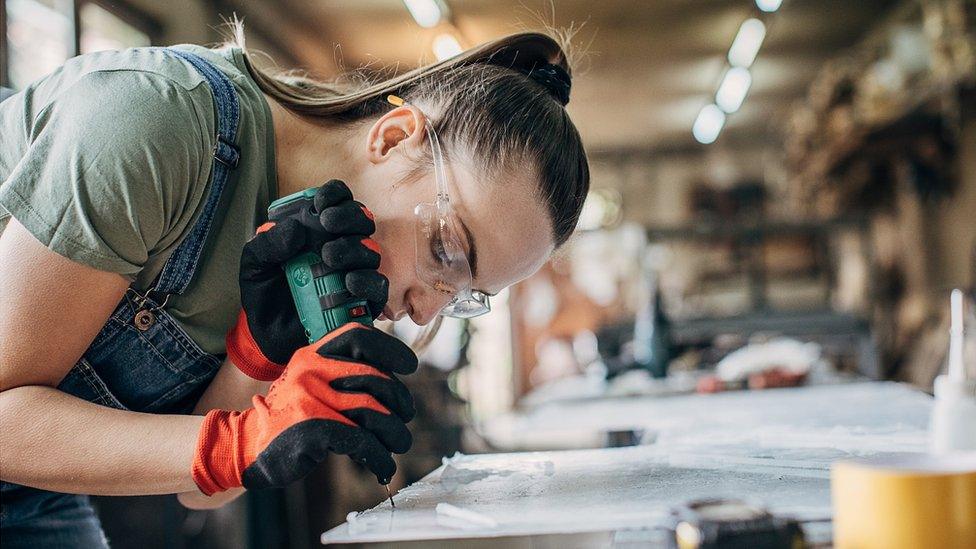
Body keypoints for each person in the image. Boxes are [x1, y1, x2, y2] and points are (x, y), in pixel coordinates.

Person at [0, 23, 589, 547]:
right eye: (446, 250)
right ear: (393, 137)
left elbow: (202, 493)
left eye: (462, 295)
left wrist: (253, 358)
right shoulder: (155, 126)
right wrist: (240, 440)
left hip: (29, 484)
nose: (420, 309)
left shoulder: (317, 262)